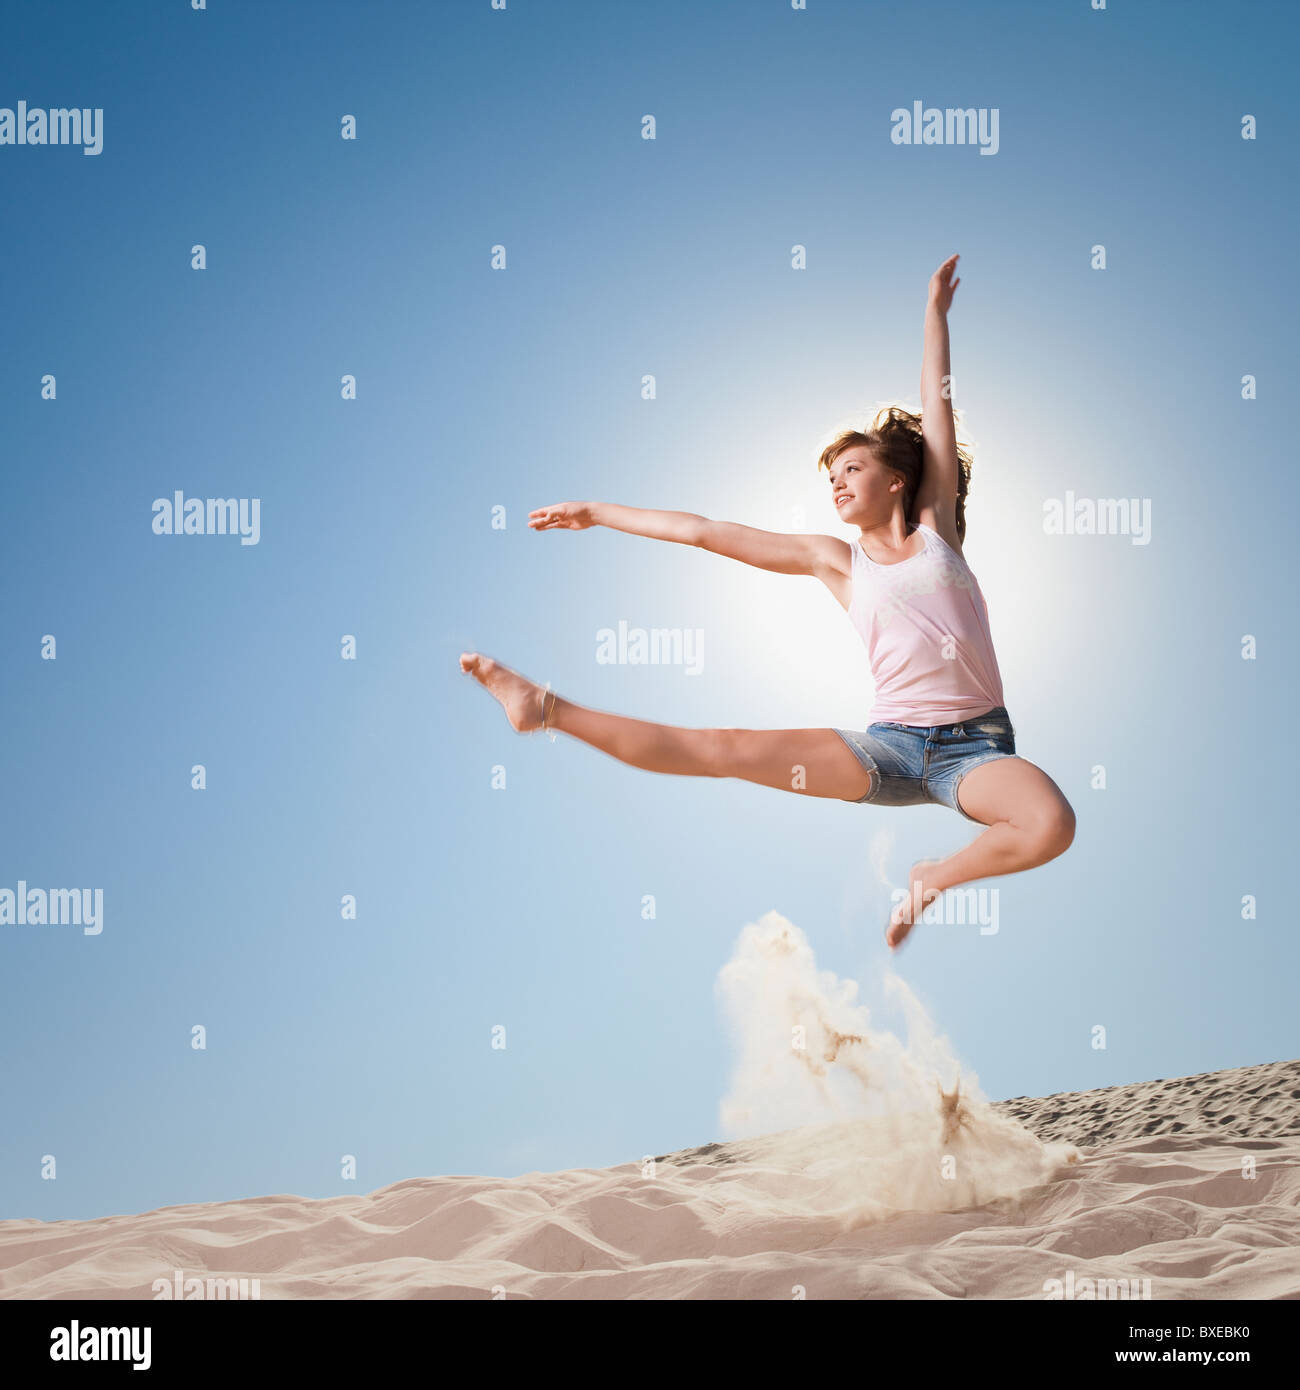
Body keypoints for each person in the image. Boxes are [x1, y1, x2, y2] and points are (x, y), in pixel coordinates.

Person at [460, 254, 1075, 947]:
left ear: (899, 480)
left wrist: (934, 311)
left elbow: (938, 401)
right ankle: (544, 709)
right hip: (891, 748)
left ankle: (932, 878)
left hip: (976, 752)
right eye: (831, 477)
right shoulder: (832, 560)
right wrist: (597, 511)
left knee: (1050, 824)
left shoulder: (938, 530)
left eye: (852, 470)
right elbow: (705, 533)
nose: (838, 484)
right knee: (722, 747)